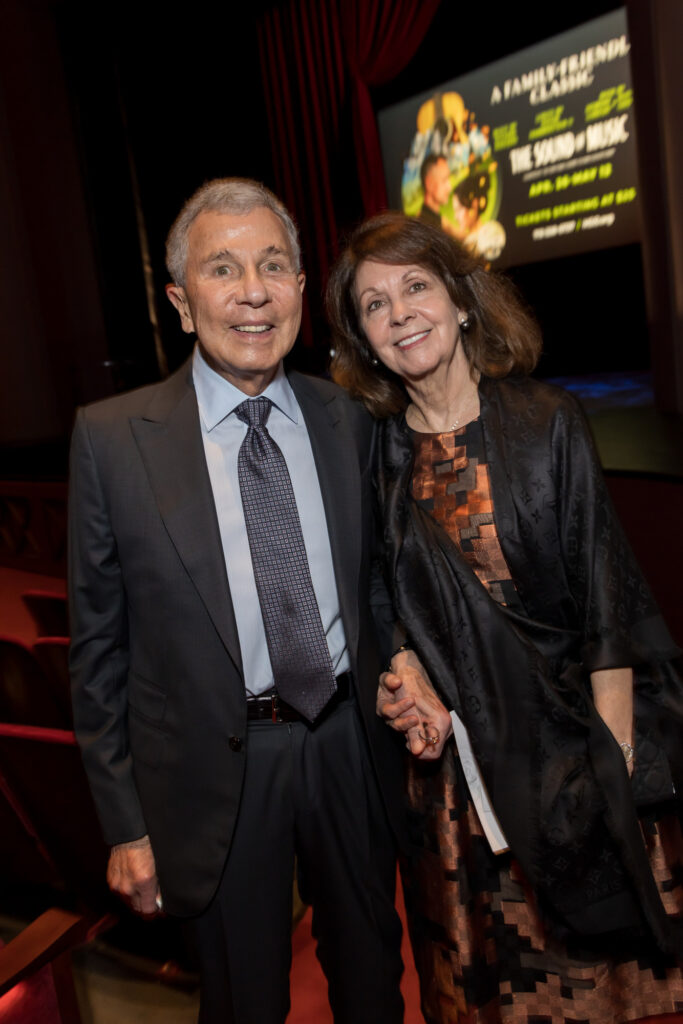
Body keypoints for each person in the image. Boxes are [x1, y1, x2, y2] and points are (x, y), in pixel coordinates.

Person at [326, 210, 683, 1023]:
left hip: (570, 750)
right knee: (492, 996)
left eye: (415, 287)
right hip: (461, 779)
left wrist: (612, 766)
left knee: (595, 992)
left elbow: (607, 604)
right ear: (363, 340)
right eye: (374, 305)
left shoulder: (545, 419)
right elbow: (382, 601)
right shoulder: (375, 455)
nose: (400, 313)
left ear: (459, 300)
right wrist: (405, 667)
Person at [68, 179, 407, 1024]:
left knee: (373, 980)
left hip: (345, 745)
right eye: (223, 269)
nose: (252, 291)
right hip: (216, 772)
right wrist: (124, 826)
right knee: (243, 1001)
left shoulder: (351, 418)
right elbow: (98, 653)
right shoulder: (112, 441)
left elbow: (375, 583)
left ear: (301, 289)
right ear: (182, 303)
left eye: (273, 266)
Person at [419, 154, 452, 230]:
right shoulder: (427, 227)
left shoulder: (436, 219)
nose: (449, 187)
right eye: (444, 180)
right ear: (429, 184)